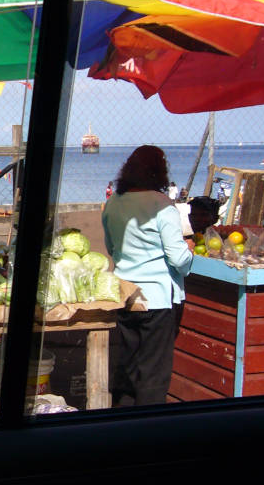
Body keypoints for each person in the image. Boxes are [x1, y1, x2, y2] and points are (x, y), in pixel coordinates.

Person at [102, 145, 194, 407]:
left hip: (124, 295)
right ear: (160, 173)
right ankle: (150, 431)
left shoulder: (113, 203)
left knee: (127, 371)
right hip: (157, 299)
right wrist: (190, 254)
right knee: (153, 375)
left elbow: (112, 249)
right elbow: (178, 259)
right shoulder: (162, 205)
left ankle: (123, 427)